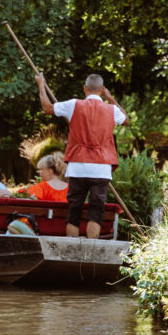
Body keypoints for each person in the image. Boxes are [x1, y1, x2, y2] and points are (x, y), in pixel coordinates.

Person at [37, 72, 128, 239]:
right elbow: (126, 119)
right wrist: (110, 98)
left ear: (85, 89)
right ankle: (91, 247)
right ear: (102, 91)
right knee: (96, 208)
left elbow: (47, 108)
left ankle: (72, 245)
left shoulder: (74, 105)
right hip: (101, 167)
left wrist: (41, 86)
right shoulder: (111, 109)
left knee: (74, 208)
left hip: (78, 166)